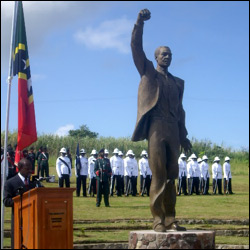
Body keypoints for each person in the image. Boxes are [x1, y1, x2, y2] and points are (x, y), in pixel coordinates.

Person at [131, 9, 191, 232]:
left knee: (171, 177)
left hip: (173, 128)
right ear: (156, 57)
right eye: (163, 54)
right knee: (158, 174)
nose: (167, 56)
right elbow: (136, 48)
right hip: (156, 126)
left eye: (169, 54)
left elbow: (180, 110)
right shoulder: (148, 73)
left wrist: (184, 136)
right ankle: (158, 219)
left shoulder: (178, 83)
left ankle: (171, 219)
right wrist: (139, 24)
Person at [3, 158, 36, 249]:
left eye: (31, 168)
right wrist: (21, 200)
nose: (30, 171)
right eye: (27, 168)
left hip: (33, 220)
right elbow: (6, 201)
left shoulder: (34, 183)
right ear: (20, 168)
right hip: (19, 220)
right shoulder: (10, 183)